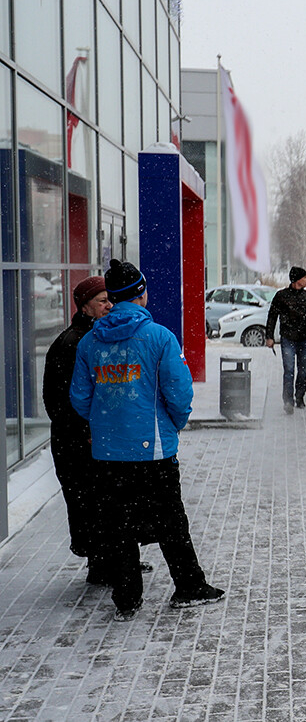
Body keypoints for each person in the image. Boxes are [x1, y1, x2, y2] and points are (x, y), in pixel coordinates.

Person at [70, 259, 223, 621]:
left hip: (108, 453)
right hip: (152, 450)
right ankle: (188, 586)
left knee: (118, 525)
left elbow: (79, 398)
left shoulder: (91, 341)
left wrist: (105, 424)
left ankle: (127, 598)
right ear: (140, 293)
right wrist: (176, 423)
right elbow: (179, 392)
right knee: (171, 521)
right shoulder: (159, 337)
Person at [42, 276, 134, 584]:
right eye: (102, 301)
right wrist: (85, 431)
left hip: (90, 437)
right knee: (90, 502)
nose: (110, 305)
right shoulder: (74, 343)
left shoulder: (94, 336)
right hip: (76, 441)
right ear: (85, 307)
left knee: (103, 501)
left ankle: (116, 558)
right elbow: (59, 400)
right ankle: (102, 565)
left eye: (110, 300)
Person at [266, 266, 306, 413]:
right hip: (288, 338)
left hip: (304, 338)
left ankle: (300, 397)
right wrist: (269, 336)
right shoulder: (281, 296)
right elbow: (272, 316)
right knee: (289, 370)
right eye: (305, 277)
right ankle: (288, 401)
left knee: (302, 370)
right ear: (297, 279)